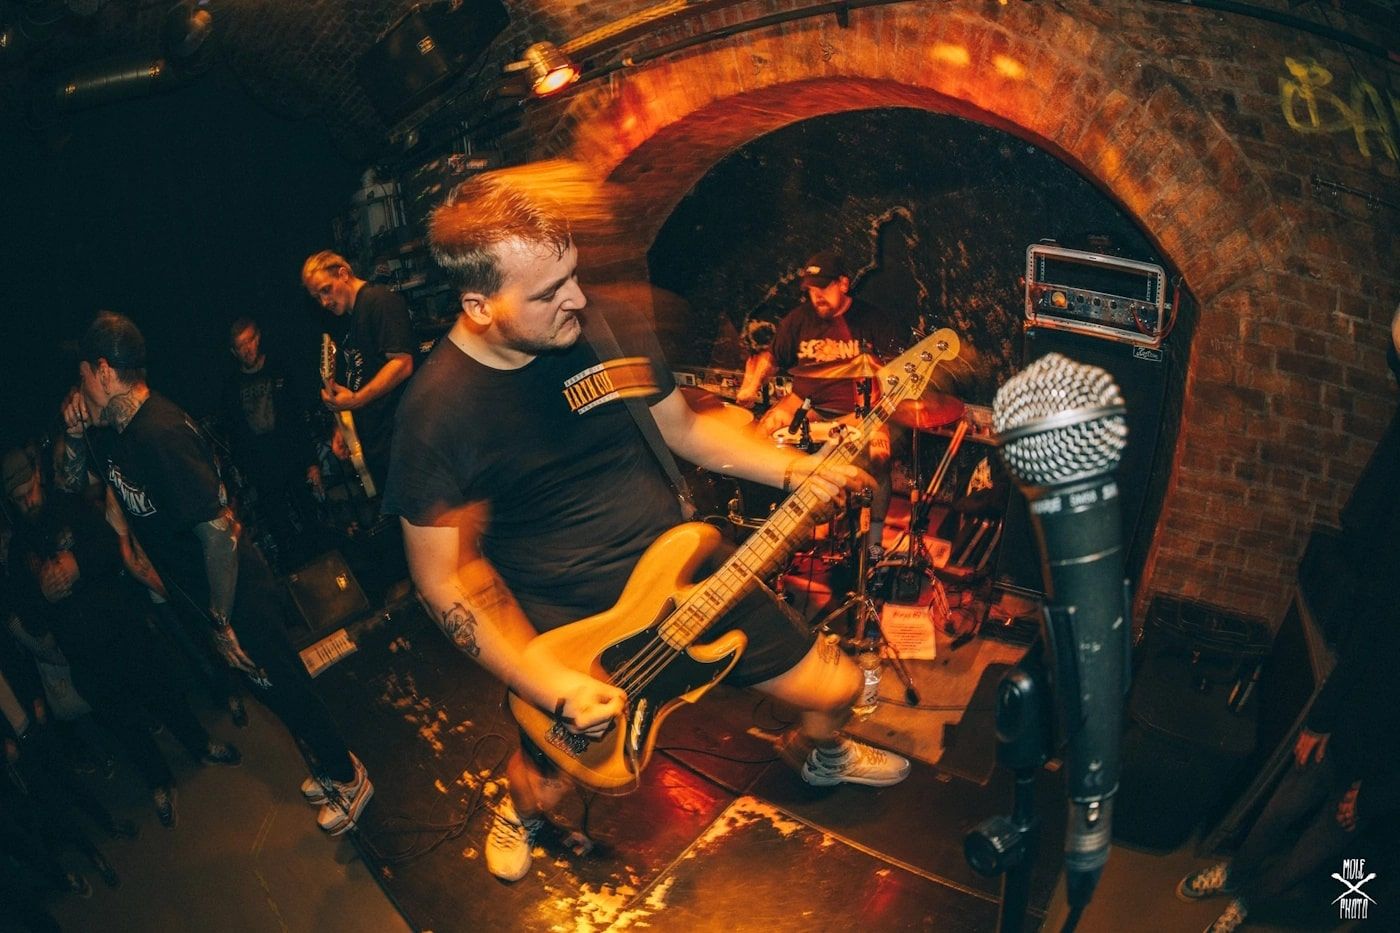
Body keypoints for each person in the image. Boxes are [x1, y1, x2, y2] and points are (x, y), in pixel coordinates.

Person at [384, 171, 911, 884]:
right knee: (548, 780)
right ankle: (523, 811)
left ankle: (821, 754)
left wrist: (794, 469)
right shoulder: (436, 413)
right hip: (576, 623)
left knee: (838, 688)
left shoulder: (601, 324)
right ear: (479, 306)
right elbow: (442, 577)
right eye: (548, 291)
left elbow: (684, 429)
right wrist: (544, 680)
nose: (577, 298)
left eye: (574, 274)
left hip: (686, 572)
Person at [55, 312, 373, 836]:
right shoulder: (113, 434)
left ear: (105, 371)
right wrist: (71, 435)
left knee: (285, 687)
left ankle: (349, 776)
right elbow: (69, 486)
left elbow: (221, 533)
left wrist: (222, 622)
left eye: (84, 373)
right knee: (269, 691)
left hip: (235, 592)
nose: (79, 384)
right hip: (207, 596)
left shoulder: (159, 432)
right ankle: (329, 763)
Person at [2, 443, 241, 827]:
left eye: (29, 490)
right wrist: (42, 595)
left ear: (38, 477)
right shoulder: (18, 553)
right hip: (84, 657)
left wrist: (78, 565)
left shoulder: (69, 506)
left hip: (123, 630)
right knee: (124, 724)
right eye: (18, 498)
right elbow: (25, 618)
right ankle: (159, 782)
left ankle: (200, 744)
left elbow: (110, 546)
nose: (28, 501)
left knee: (163, 691)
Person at [735, 251, 905, 557]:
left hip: (859, 410)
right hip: (806, 402)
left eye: (824, 288)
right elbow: (771, 357)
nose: (817, 297)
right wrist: (752, 384)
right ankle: (777, 529)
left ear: (843, 284)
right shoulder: (798, 320)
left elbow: (895, 375)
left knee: (879, 458)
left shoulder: (873, 320)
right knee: (763, 432)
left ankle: (874, 541)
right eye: (811, 290)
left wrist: (875, 413)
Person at [300, 251, 415, 496]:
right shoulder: (348, 320)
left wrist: (357, 400)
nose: (324, 302)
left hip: (402, 443)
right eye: (317, 297)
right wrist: (341, 428)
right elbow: (357, 377)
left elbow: (402, 363)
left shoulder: (379, 301)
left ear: (343, 274)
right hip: (379, 446)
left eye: (326, 290)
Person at [221, 317, 324, 571]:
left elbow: (298, 420)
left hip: (293, 459)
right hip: (263, 471)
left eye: (250, 341)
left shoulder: (280, 370)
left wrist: (311, 463)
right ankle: (295, 576)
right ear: (234, 352)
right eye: (241, 346)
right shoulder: (231, 388)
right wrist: (245, 470)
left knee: (310, 517)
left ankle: (326, 565)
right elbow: (235, 434)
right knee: (280, 529)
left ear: (258, 338)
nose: (247, 349)